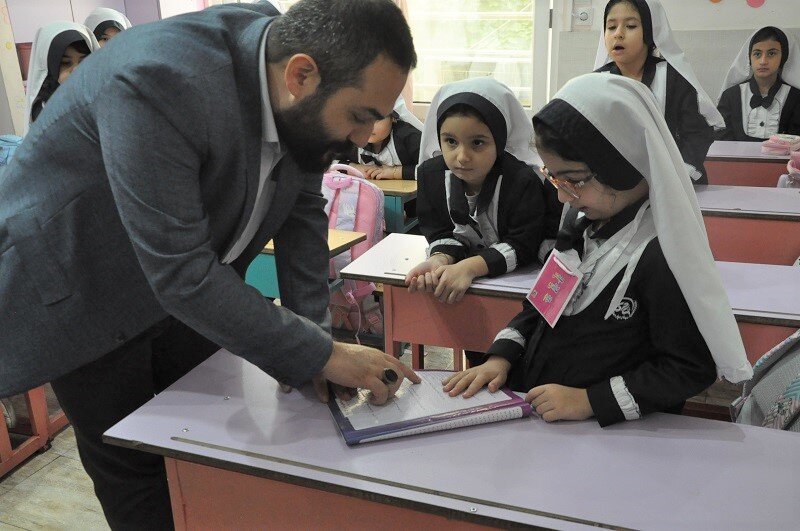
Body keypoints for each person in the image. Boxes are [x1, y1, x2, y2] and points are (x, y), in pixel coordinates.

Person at [0, 0, 418, 528]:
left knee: (203, 447)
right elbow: (180, 273)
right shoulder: (157, 80)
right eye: (360, 117)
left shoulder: (283, 71)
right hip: (83, 285)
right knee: (138, 469)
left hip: (186, 287)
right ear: (301, 74)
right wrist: (320, 353)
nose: (363, 139)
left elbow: (302, 212)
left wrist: (314, 342)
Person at [442, 73, 753, 427]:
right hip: (548, 418)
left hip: (611, 435)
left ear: (621, 165)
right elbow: (541, 306)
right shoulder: (580, 227)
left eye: (573, 180)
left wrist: (590, 400)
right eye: (554, 178)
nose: (561, 196)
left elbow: (689, 368)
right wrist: (500, 358)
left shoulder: (660, 256)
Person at [405, 77, 550, 313]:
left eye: (478, 143)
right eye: (450, 141)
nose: (462, 156)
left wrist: (471, 267)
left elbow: (523, 244)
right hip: (463, 288)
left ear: (499, 142)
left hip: (516, 294)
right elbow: (440, 231)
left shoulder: (521, 181)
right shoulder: (431, 176)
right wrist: (439, 259)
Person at [594, 0, 723, 184]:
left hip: (676, 180)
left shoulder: (673, 78)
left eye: (630, 26)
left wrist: (681, 174)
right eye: (611, 27)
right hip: (619, 184)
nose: (618, 34)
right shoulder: (596, 81)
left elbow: (697, 133)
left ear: (649, 31)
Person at [717, 26, 800, 141]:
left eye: (771, 53)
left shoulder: (796, 98)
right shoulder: (730, 96)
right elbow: (721, 141)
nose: (763, 61)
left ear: (783, 58)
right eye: (757, 54)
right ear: (749, 58)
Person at [23, 22, 97, 132]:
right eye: (66, 63)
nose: (76, 71)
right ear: (49, 68)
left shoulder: (100, 98)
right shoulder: (43, 112)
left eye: (83, 61)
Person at [338, 95, 423, 180]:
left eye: (376, 119)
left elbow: (433, 170)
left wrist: (395, 172)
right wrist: (353, 168)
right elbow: (328, 162)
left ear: (393, 117)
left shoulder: (409, 137)